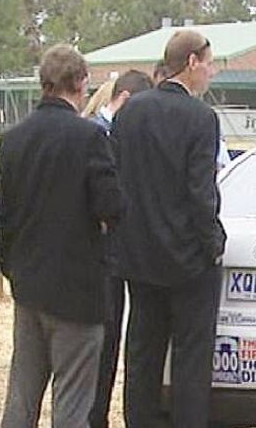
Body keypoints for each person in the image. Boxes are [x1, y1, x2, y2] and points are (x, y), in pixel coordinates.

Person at [0, 44, 121, 428]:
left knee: (22, 395)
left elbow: (2, 215)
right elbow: (111, 207)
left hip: (29, 284)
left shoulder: (13, 139)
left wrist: (13, 269)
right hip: (77, 289)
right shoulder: (89, 138)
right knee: (72, 401)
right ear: (81, 83)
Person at [111, 29, 225, 428]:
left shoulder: (130, 112)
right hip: (189, 259)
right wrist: (213, 243)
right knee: (190, 361)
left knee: (142, 355)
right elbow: (200, 192)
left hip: (139, 255)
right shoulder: (200, 118)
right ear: (192, 62)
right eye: (209, 63)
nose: (211, 72)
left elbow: (118, 181)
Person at [87, 68, 152, 428]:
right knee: (101, 342)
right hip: (100, 253)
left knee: (113, 341)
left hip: (121, 251)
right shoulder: (98, 135)